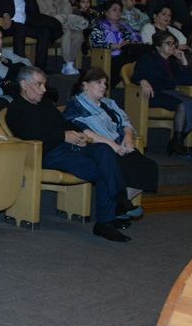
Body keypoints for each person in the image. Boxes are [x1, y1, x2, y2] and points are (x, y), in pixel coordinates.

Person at [5, 66, 133, 242]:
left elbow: (64, 123)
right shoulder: (16, 109)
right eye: (39, 85)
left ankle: (118, 202)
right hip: (48, 154)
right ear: (24, 84)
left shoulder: (45, 105)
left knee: (104, 150)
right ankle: (108, 219)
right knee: (104, 169)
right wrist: (64, 136)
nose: (43, 89)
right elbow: (30, 135)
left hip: (70, 148)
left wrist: (79, 134)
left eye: (44, 85)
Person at [63, 68, 159, 218]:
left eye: (105, 83)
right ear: (85, 85)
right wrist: (112, 145)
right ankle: (117, 207)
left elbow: (125, 121)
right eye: (98, 82)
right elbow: (84, 131)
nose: (103, 86)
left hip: (120, 145)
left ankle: (118, 206)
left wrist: (127, 137)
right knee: (124, 167)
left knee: (149, 168)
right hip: (97, 148)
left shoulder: (109, 103)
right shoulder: (76, 105)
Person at [134, 31, 192, 155]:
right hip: (154, 93)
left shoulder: (173, 62)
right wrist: (142, 80)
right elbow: (137, 74)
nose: (172, 46)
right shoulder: (148, 58)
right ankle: (177, 143)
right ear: (158, 46)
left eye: (174, 44)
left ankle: (176, 141)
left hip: (170, 93)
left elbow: (186, 82)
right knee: (183, 105)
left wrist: (184, 61)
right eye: (168, 43)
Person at [0, 0, 60, 70]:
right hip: (8, 26)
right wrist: (5, 14)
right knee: (21, 28)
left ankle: (40, 68)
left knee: (44, 31)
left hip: (25, 25)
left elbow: (35, 13)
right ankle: (21, 66)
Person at [37, 0, 89, 75]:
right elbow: (45, 16)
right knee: (67, 30)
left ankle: (68, 64)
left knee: (79, 34)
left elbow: (68, 13)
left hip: (63, 27)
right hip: (49, 30)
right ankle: (68, 63)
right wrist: (62, 18)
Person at [90, 0, 145, 79]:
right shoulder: (100, 26)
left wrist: (134, 41)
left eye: (120, 10)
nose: (118, 12)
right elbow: (96, 44)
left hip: (126, 54)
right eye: (114, 10)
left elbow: (134, 35)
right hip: (110, 57)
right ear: (106, 12)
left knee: (144, 54)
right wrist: (116, 46)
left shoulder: (124, 25)